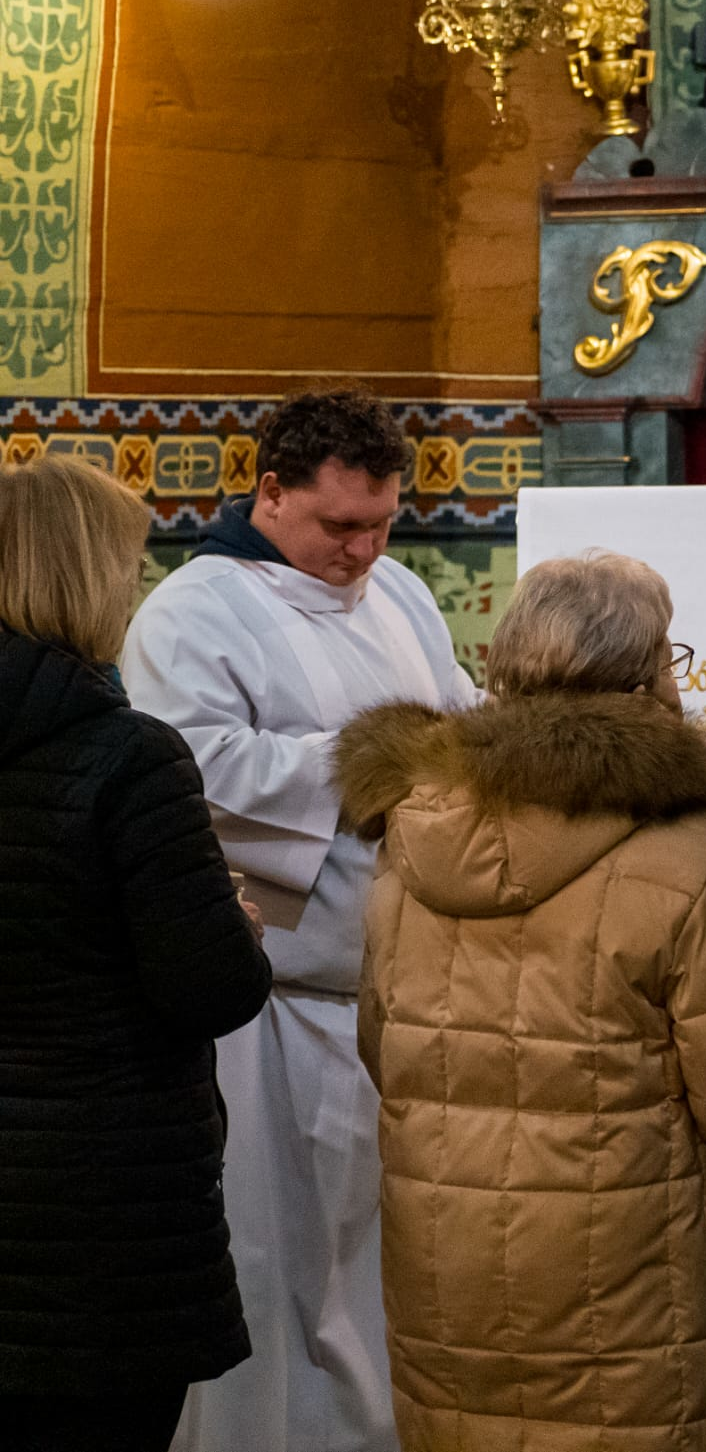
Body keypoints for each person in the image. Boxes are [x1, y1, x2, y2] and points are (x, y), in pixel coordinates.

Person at [336, 551, 706, 1450]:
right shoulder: (696, 855)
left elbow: (387, 1051)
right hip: (634, 1317)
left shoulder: (410, 838)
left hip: (450, 1301)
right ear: (650, 676)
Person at [122, 390, 479, 1452]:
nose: (363, 550)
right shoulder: (194, 611)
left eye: (380, 524)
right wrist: (372, 761)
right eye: (339, 526)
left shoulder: (401, 590)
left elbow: (457, 726)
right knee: (270, 1263)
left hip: (400, 997)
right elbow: (185, 770)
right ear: (269, 491)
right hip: (267, 1005)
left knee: (380, 1264)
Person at [0, 455, 272, 1451]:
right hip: (102, 1217)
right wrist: (233, 926)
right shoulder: (129, 755)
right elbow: (208, 987)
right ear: (84, 578)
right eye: (127, 564)